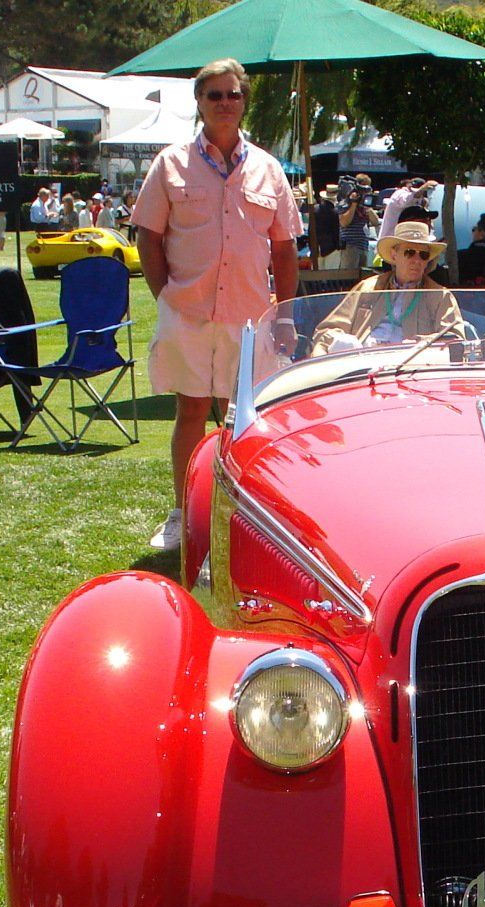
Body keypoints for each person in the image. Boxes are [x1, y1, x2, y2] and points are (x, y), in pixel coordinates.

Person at [132, 57, 302, 554]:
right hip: (187, 311)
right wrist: (166, 294)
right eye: (214, 96)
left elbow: (285, 247)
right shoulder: (171, 164)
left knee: (238, 416)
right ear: (200, 104)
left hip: (249, 316)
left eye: (233, 94)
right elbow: (149, 236)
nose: (225, 103)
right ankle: (183, 511)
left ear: (244, 101)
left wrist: (285, 313)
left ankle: (236, 509)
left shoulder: (269, 169)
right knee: (189, 410)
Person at [310, 221, 462, 353]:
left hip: (409, 366)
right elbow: (327, 330)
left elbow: (455, 340)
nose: (417, 260)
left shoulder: (440, 296)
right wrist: (342, 342)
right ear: (394, 255)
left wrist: (420, 343)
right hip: (361, 364)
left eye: (423, 255)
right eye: (410, 252)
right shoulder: (369, 287)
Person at [334, 178, 374, 269]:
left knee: (361, 277)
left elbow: (375, 221)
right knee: (349, 277)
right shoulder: (344, 203)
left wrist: (368, 209)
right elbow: (344, 222)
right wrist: (354, 204)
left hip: (363, 245)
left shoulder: (365, 206)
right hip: (350, 245)